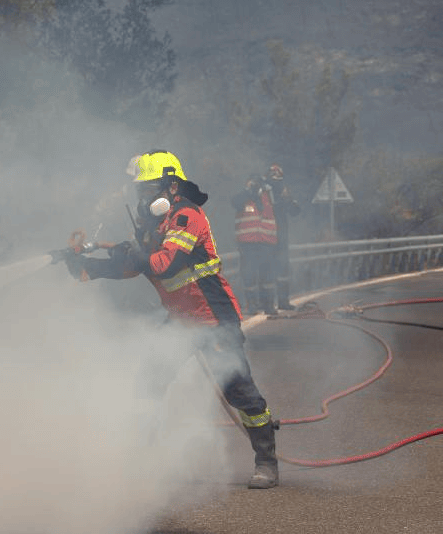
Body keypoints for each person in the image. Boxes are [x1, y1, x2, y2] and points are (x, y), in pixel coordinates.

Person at [54, 151, 280, 488]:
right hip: (179, 320)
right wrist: (88, 267)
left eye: (149, 190)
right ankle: (141, 462)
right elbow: (132, 266)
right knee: (149, 383)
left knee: (239, 392)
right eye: (140, 192)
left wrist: (133, 251)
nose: (143, 198)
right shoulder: (154, 225)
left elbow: (165, 264)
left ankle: (266, 462)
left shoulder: (188, 217)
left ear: (172, 187)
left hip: (212, 317)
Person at [231, 173, 279, 316]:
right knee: (249, 275)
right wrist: (248, 191)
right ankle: (252, 305)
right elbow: (234, 202)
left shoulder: (269, 198)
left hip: (267, 243)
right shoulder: (243, 198)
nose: (256, 185)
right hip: (248, 244)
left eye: (257, 183)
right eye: (253, 183)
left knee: (268, 277)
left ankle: (268, 306)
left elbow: (279, 208)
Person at [264, 163, 301, 310]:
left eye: (278, 178)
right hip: (267, 236)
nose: (276, 182)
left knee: (283, 270)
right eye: (274, 177)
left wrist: (288, 200)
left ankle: (283, 301)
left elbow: (295, 211)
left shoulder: (284, 192)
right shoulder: (264, 192)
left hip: (281, 236)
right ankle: (267, 304)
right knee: (268, 270)